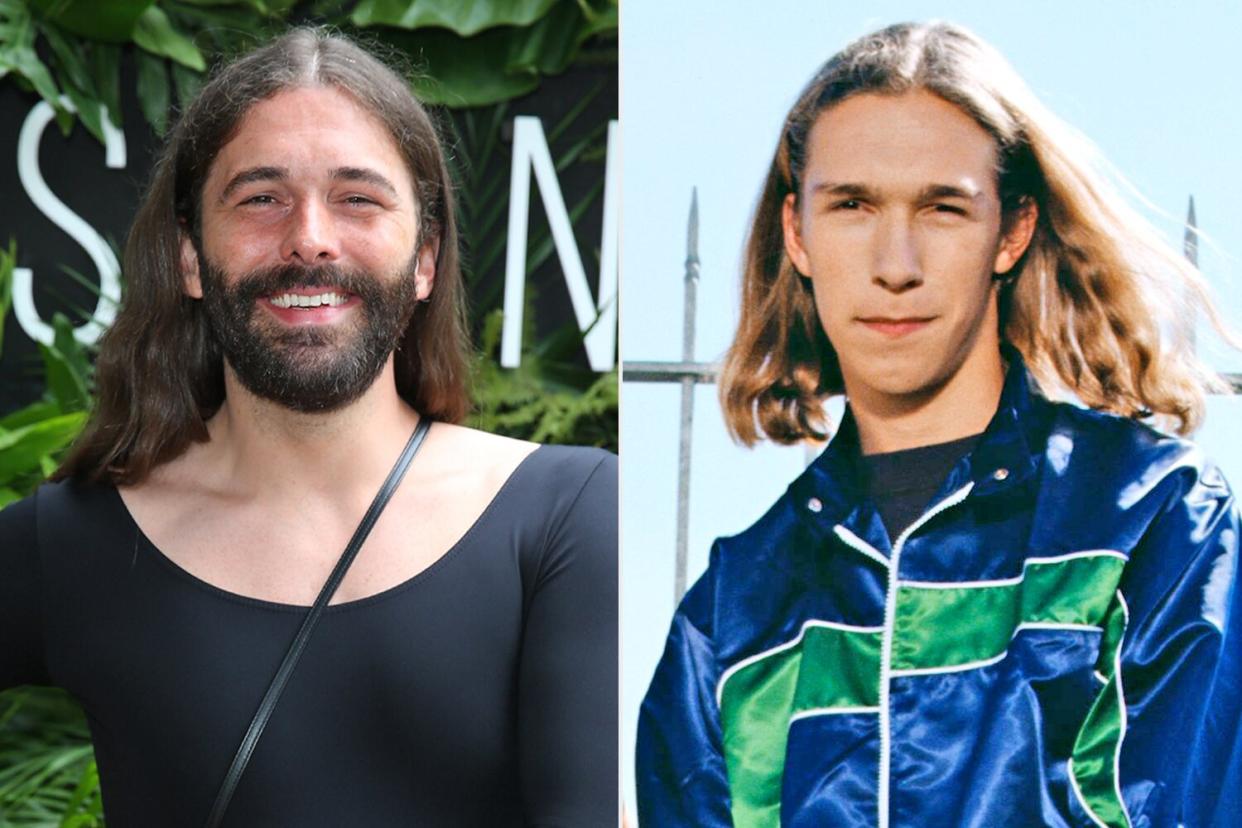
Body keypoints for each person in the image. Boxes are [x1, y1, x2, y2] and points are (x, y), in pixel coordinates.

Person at [0, 28, 617, 827]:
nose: (310, 238)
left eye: (358, 197)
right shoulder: (80, 537)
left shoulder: (564, 517)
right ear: (190, 256)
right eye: (261, 198)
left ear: (425, 259)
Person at [636, 21, 1240, 828]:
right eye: (852, 205)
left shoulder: (1156, 521)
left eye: (943, 208)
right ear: (797, 232)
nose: (895, 264)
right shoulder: (729, 616)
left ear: (1012, 230)